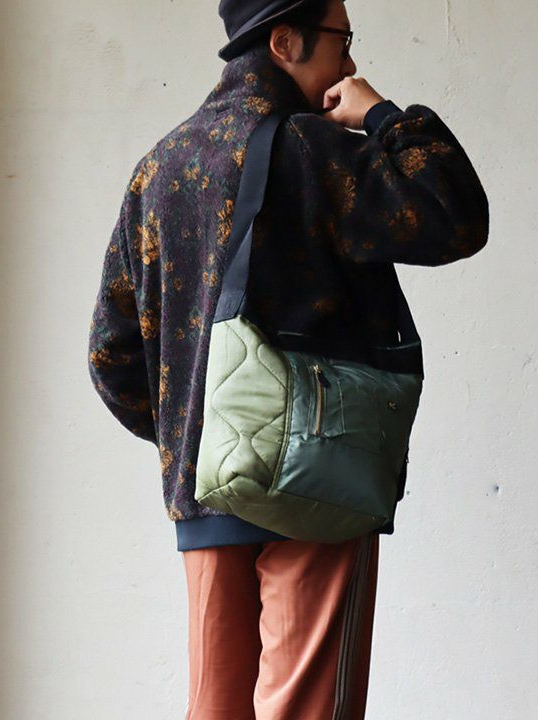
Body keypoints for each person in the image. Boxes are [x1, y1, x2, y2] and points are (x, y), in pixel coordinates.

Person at [87, 0, 489, 717]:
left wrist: (204, 437)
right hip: (318, 482)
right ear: (284, 42)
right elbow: (454, 215)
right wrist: (383, 116)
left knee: (215, 707)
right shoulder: (315, 150)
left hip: (207, 493)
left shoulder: (159, 170)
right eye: (342, 40)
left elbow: (111, 353)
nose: (350, 62)